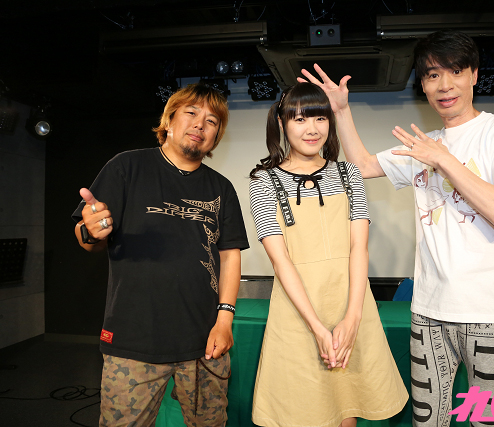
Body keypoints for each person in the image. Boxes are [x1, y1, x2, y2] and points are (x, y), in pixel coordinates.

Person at [300, 30, 494, 427]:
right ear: (424, 86)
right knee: (427, 421)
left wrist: (444, 160)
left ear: (474, 75)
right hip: (429, 312)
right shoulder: (424, 144)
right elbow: (362, 166)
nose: (444, 85)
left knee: (491, 421)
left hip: (491, 312)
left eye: (455, 71)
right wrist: (340, 111)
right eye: (432, 75)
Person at [72, 83, 250, 426]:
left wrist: (225, 320)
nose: (200, 124)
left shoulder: (222, 189)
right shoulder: (126, 167)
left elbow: (230, 256)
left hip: (205, 344)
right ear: (168, 121)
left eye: (212, 121)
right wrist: (90, 230)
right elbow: (87, 237)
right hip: (133, 342)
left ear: (216, 136)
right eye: (191, 113)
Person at [248, 82, 408, 427]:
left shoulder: (349, 174)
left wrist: (352, 318)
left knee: (346, 408)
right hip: (298, 312)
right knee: (302, 412)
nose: (312, 129)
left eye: (320, 118)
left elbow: (358, 247)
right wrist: (318, 328)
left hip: (351, 304)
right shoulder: (263, 181)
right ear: (282, 123)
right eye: (300, 119)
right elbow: (280, 260)